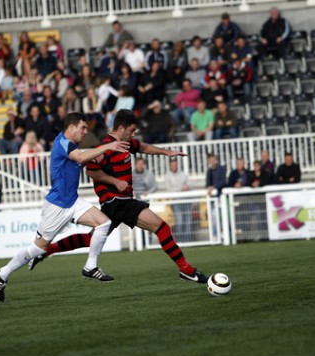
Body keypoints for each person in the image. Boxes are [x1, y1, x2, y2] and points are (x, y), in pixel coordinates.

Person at [28, 110, 209, 286]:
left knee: (90, 240)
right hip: (117, 201)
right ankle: (186, 270)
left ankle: (45, 251)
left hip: (116, 203)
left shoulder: (126, 143)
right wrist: (114, 181)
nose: (134, 134)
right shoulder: (106, 147)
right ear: (121, 129)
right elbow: (91, 170)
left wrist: (166, 152)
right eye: (132, 130)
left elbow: (144, 147)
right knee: (161, 228)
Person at [0, 112, 130, 302]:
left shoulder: (71, 144)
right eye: (82, 128)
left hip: (72, 201)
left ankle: (90, 266)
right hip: (57, 206)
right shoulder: (64, 143)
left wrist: (93, 157)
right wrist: (108, 146)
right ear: (71, 127)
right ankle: (2, 273)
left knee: (104, 223)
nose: (85, 132)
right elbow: (79, 158)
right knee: (38, 249)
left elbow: (79, 159)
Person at [165, 158, 194, 242]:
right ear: (170, 166)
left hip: (186, 201)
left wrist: (187, 187)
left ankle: (188, 242)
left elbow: (191, 184)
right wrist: (181, 188)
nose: (174, 166)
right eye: (172, 165)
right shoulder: (167, 176)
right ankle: (181, 242)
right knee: (180, 222)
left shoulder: (182, 174)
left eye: (175, 164)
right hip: (176, 202)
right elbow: (168, 190)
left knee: (188, 223)